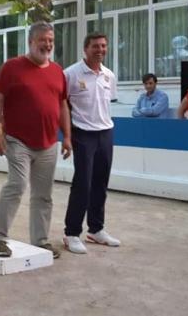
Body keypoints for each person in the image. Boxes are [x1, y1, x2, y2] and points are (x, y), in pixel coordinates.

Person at [0, 22, 71, 259]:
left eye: (51, 41)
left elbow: (63, 105)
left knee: (44, 194)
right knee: (17, 185)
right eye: (43, 40)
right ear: (31, 42)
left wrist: (67, 137)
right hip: (17, 140)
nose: (47, 45)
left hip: (48, 143)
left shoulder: (57, 71)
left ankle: (41, 241)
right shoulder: (12, 68)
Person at [62, 32, 121, 254]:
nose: (100, 50)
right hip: (83, 133)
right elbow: (63, 105)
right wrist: (67, 135)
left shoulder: (109, 75)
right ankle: (71, 233)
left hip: (106, 132)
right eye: (95, 46)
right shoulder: (71, 74)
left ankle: (96, 229)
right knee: (82, 184)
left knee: (100, 183)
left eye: (103, 46)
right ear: (85, 49)